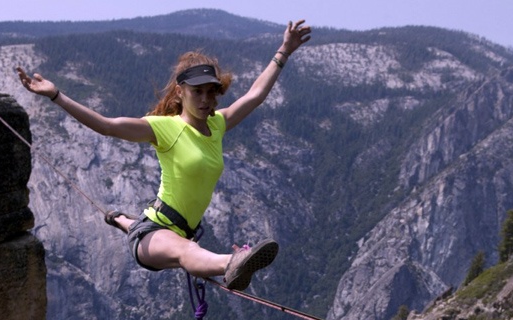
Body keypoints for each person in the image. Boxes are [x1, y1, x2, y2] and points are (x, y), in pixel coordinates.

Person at [17, 20, 312, 291]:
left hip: (178, 230)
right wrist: (56, 95)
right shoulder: (164, 129)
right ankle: (232, 263)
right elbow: (107, 126)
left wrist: (284, 51)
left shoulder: (217, 124)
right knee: (187, 252)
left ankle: (120, 219)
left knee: (182, 244)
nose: (206, 100)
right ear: (180, 92)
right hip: (153, 235)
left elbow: (254, 96)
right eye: (198, 92)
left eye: (212, 92)